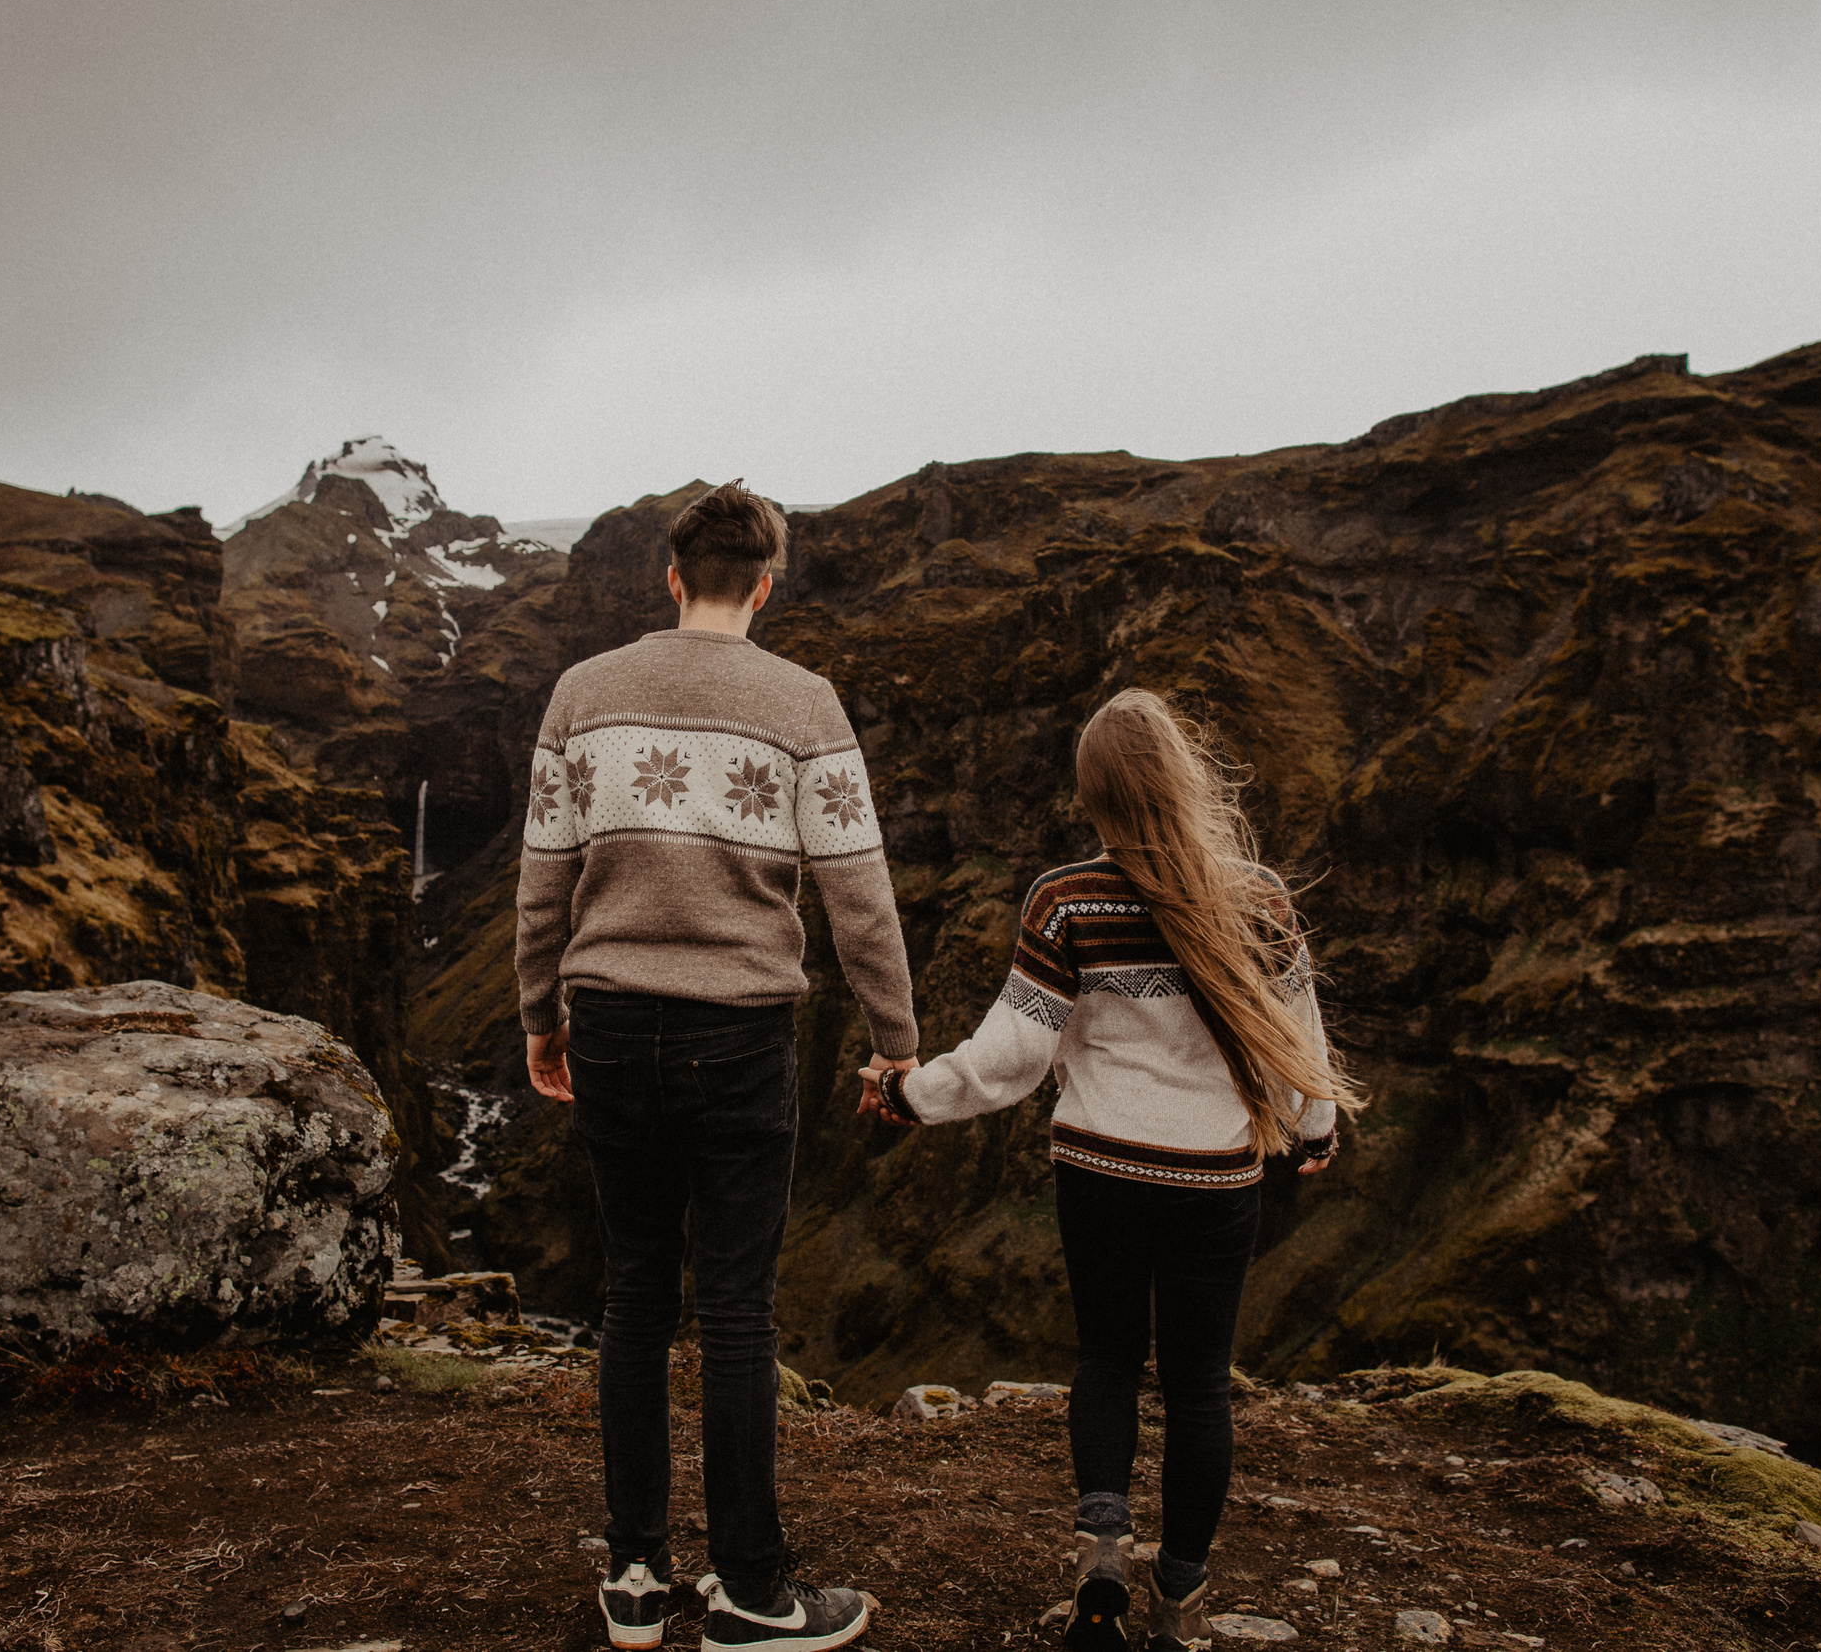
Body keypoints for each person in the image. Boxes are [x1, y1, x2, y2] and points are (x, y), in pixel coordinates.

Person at [855, 689, 1358, 1652]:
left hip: (1102, 1169)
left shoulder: (1067, 898)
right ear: (1182, 777)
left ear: (1095, 798)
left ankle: (1101, 1555)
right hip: (1218, 1179)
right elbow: (1302, 1041)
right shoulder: (1259, 899)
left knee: (1107, 1359)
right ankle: (1181, 1599)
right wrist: (1317, 1128)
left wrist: (912, 1093)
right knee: (1201, 1383)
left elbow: (1010, 1058)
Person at [516, 479, 917, 1652]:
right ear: (767, 586)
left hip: (607, 1014)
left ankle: (636, 1577)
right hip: (741, 1030)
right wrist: (896, 1042)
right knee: (736, 1308)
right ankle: (750, 1589)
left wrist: (541, 1012)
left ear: (674, 577)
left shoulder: (583, 693)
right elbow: (861, 898)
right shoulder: (804, 704)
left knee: (634, 1297)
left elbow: (543, 877)